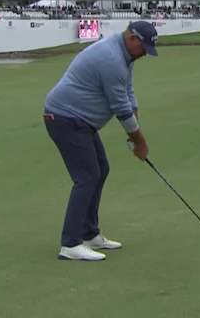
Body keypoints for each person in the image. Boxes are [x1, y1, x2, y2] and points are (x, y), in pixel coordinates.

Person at [43, 21, 158, 261]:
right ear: (133, 38)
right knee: (86, 177)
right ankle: (70, 244)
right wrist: (139, 141)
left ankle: (89, 233)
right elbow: (119, 108)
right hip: (64, 118)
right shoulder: (111, 58)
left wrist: (135, 121)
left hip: (81, 122)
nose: (144, 55)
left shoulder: (125, 55)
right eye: (144, 49)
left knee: (100, 169)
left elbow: (127, 92)